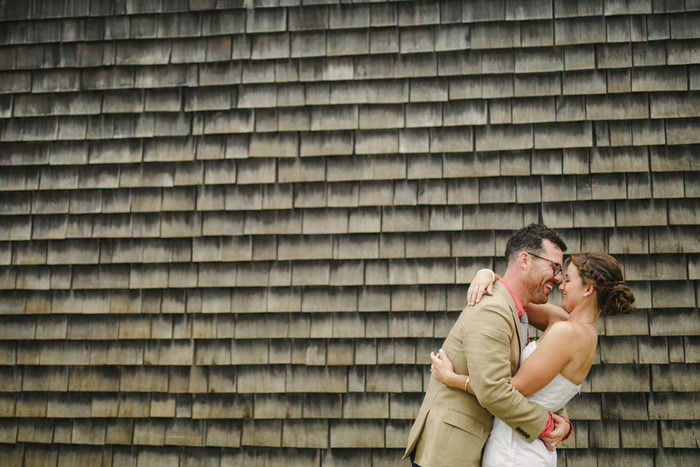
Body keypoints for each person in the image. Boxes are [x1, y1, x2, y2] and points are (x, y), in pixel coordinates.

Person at [430, 252, 635, 466]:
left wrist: (451, 377)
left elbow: (511, 389)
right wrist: (487, 274)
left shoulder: (567, 333)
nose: (561, 286)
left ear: (588, 289)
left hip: (515, 452)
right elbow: (514, 298)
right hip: (529, 445)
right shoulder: (583, 332)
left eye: (567, 280)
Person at [404, 224, 573, 466]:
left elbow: (527, 376)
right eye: (554, 267)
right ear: (525, 260)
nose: (558, 278)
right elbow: (493, 390)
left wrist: (560, 418)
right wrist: (547, 423)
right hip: (450, 453)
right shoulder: (493, 309)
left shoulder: (516, 309)